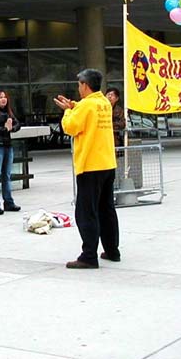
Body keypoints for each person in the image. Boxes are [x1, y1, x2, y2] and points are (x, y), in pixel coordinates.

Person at [54, 69, 119, 269]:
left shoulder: (86, 105)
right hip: (107, 163)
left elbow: (70, 127)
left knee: (86, 212)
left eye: (79, 85)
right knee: (106, 209)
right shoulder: (104, 103)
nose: (78, 88)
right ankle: (112, 250)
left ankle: (89, 256)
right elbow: (86, 112)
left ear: (85, 85)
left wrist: (67, 111)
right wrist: (73, 105)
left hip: (90, 165)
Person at [0, 90, 22, 215]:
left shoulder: (9, 112)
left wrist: (11, 128)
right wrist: (5, 129)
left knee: (7, 176)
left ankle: (9, 203)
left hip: (8, 146)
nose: (3, 99)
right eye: (0, 97)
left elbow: (18, 124)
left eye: (5, 97)